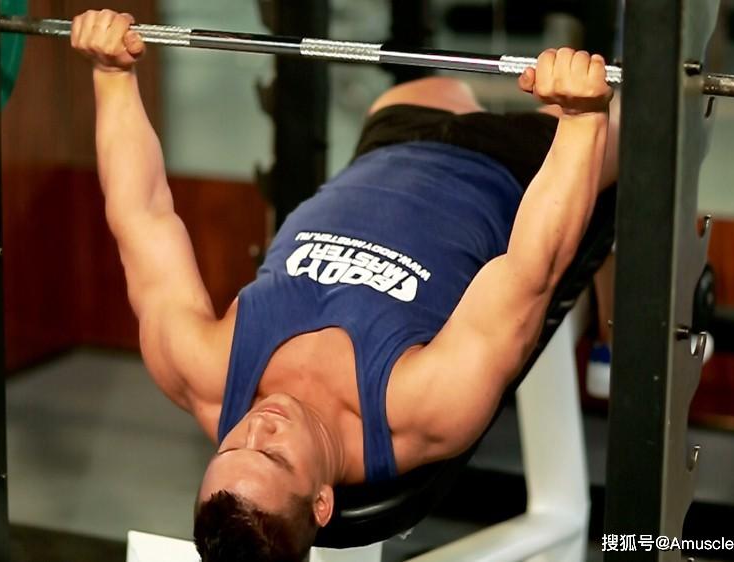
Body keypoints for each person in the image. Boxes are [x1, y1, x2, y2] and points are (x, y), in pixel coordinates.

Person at [71, 9, 619, 561]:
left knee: (438, 83)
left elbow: (142, 216)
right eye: (274, 457)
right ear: (322, 503)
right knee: (644, 115)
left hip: (393, 136)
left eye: (231, 448)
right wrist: (582, 118)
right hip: (514, 164)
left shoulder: (204, 372)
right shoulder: (421, 408)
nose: (258, 428)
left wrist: (111, 76)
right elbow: (531, 270)